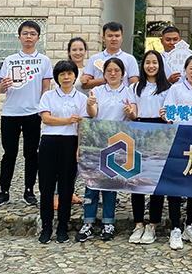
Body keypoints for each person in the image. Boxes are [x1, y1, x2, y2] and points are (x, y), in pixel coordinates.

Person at [75, 57, 137, 243]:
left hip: (117, 142)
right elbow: (92, 113)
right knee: (92, 183)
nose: (113, 73)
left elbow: (134, 116)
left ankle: (108, 223)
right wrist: (90, 104)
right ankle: (88, 223)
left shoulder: (129, 91)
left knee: (110, 184)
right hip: (97, 140)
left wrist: (130, 113)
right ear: (104, 73)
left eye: (116, 70)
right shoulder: (97, 91)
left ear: (123, 73)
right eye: (109, 70)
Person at [0, 21, 52, 208]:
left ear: (38, 38)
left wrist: (42, 110)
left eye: (32, 33)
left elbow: (45, 88)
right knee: (9, 154)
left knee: (31, 154)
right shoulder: (10, 60)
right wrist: (2, 87)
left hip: (32, 113)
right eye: (25, 33)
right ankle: (4, 191)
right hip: (10, 112)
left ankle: (29, 190)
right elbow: (1, 88)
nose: (28, 36)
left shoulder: (44, 60)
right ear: (19, 37)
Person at [160, 55, 192, 249]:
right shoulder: (176, 89)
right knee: (175, 184)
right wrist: (167, 118)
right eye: (191, 68)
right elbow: (168, 113)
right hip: (178, 141)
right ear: (185, 70)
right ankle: (175, 226)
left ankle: (190, 223)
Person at [36, 60, 88, 244]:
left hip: (70, 142)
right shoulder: (48, 96)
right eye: (62, 74)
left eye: (70, 73)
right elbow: (46, 118)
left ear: (75, 76)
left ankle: (63, 227)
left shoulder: (81, 99)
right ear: (57, 77)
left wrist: (79, 148)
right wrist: (67, 120)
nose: (66, 77)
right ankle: (46, 226)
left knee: (66, 186)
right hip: (49, 141)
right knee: (46, 186)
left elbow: (81, 126)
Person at [128, 50, 172, 245]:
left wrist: (167, 117)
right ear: (143, 65)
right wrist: (130, 113)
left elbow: (171, 114)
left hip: (160, 132)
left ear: (160, 65)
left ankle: (153, 224)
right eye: (148, 62)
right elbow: (132, 114)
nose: (151, 66)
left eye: (155, 62)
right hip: (139, 130)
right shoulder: (135, 87)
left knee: (156, 180)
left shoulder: (168, 88)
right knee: (136, 179)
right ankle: (138, 223)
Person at [54, 37, 87, 209]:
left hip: (86, 115)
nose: (78, 52)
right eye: (74, 49)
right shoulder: (63, 69)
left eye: (81, 49)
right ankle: (57, 194)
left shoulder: (90, 70)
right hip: (67, 118)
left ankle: (70, 191)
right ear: (69, 51)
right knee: (61, 163)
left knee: (77, 159)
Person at [81, 22, 139, 89]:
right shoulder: (93, 59)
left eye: (117, 36)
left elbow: (134, 85)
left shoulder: (130, 59)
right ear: (103, 38)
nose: (114, 39)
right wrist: (103, 80)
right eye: (110, 36)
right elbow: (85, 85)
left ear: (122, 38)